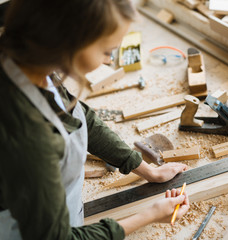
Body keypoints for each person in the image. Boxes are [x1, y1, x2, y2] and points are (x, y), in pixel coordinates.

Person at [0, 0, 190, 239]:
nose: (110, 61)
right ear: (69, 42)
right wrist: (149, 215)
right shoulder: (29, 134)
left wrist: (147, 171)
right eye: (107, 51)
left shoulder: (30, 56)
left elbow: (81, 119)